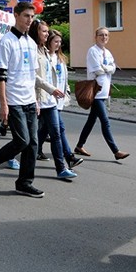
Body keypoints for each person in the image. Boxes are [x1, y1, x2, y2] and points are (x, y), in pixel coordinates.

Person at [0, 1, 44, 198]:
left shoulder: (31, 43)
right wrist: (3, 104)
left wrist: (36, 99)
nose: (30, 20)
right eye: (26, 16)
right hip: (13, 100)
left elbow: (32, 75)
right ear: (16, 15)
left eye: (32, 17)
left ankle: (24, 182)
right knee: (22, 141)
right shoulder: (6, 42)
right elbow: (0, 76)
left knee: (33, 144)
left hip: (29, 100)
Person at [73, 27, 129, 160]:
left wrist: (107, 68)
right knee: (105, 121)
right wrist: (107, 68)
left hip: (104, 92)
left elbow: (113, 69)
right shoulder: (93, 51)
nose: (104, 37)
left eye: (106, 35)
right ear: (96, 37)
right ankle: (116, 151)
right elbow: (97, 70)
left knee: (91, 120)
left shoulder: (107, 52)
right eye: (101, 35)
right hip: (96, 92)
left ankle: (79, 146)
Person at [29, 20, 74, 179]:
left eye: (47, 32)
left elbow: (54, 75)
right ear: (36, 33)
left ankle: (61, 169)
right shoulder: (32, 50)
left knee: (55, 133)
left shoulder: (46, 52)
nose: (47, 34)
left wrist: (61, 90)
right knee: (28, 137)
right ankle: (9, 157)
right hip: (36, 99)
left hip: (50, 101)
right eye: (44, 31)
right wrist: (49, 89)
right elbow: (33, 76)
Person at [45, 29, 84, 170]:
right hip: (48, 99)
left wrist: (67, 90)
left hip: (59, 99)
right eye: (55, 41)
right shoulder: (45, 57)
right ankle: (69, 157)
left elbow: (64, 78)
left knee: (42, 131)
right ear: (48, 41)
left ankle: (33, 150)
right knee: (58, 129)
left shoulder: (61, 58)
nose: (58, 44)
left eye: (60, 42)